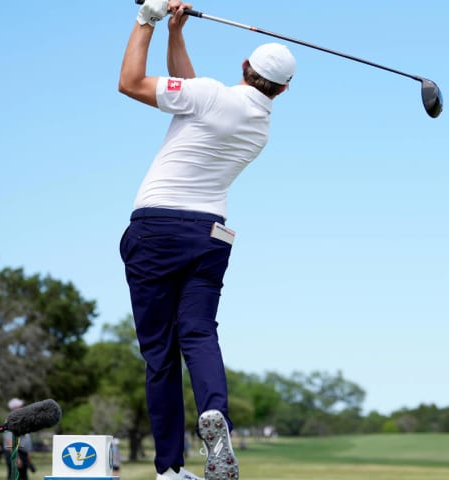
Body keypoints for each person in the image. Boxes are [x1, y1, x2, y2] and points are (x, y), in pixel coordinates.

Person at [117, 1, 296, 480]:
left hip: (157, 229)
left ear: (245, 67)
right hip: (211, 236)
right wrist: (178, 34)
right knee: (198, 333)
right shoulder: (260, 126)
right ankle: (215, 416)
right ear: (282, 89)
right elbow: (190, 91)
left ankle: (170, 469)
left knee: (159, 353)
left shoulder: (212, 96)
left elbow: (131, 82)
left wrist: (147, 21)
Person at [2, 399, 34, 480]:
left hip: (23, 453)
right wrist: (16, 458)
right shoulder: (10, 421)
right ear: (14, 409)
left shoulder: (22, 420)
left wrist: (28, 457)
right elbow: (10, 442)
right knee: (13, 476)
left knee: (23, 477)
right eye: (20, 407)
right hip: (15, 453)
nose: (22, 408)